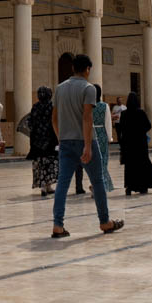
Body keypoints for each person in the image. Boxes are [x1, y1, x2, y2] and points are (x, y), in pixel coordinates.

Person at [50, 53, 123, 239]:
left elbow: (54, 118)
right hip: (84, 141)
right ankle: (105, 221)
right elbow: (87, 117)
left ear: (73, 68)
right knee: (97, 181)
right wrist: (88, 146)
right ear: (87, 69)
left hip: (65, 142)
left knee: (63, 184)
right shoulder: (88, 88)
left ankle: (58, 225)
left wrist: (61, 138)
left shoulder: (59, 88)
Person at [117, 92, 152, 196]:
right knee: (142, 164)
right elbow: (148, 126)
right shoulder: (141, 113)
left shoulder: (124, 114)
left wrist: (123, 141)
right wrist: (140, 132)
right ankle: (143, 186)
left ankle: (129, 187)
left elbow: (121, 129)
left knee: (130, 166)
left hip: (128, 144)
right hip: (140, 143)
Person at [26, 86, 58, 196]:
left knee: (40, 162)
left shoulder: (35, 107)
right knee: (50, 162)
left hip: (37, 141)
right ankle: (47, 186)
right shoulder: (52, 106)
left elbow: (30, 122)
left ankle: (45, 187)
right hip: (50, 140)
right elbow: (56, 121)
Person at [91, 84, 115, 191]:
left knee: (92, 162)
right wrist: (109, 138)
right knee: (102, 161)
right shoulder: (104, 106)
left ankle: (95, 185)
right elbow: (108, 123)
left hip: (90, 134)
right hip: (101, 135)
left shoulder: (87, 105)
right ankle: (100, 186)